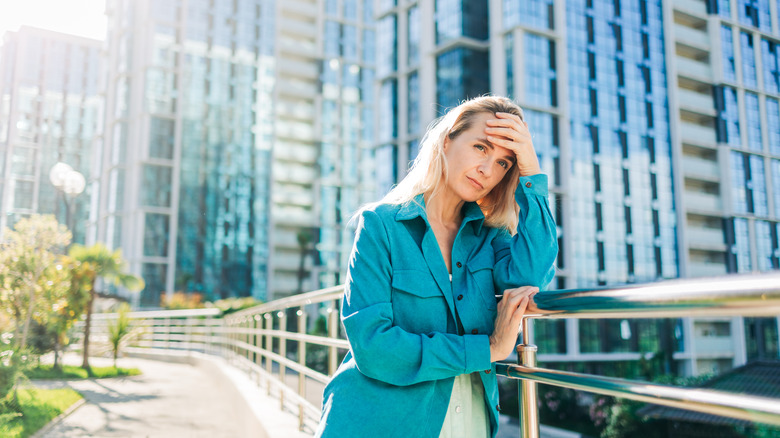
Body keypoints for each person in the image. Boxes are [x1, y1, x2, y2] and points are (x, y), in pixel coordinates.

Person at [315, 96, 558, 438]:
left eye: (504, 163)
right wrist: (487, 349)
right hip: (379, 424)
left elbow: (532, 276)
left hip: (471, 421)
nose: (488, 170)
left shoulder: (490, 239)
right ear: (447, 141)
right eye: (480, 147)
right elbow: (373, 346)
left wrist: (531, 171)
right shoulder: (381, 225)